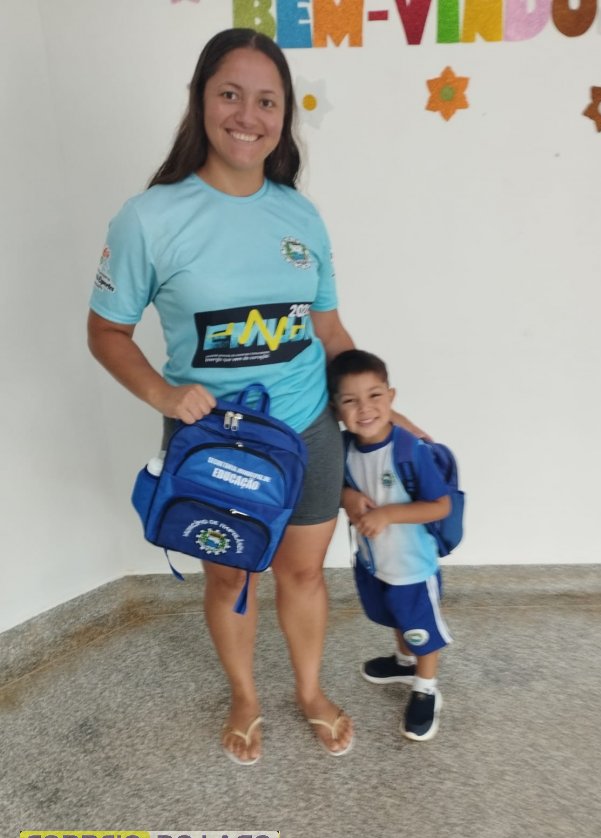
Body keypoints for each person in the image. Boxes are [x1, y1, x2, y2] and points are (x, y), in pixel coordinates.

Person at [88, 28, 420, 765]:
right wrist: (164, 395)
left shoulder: (300, 216)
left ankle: (309, 691)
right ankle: (244, 695)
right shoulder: (149, 218)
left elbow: (327, 328)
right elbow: (106, 331)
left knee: (301, 572)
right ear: (200, 100)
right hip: (211, 441)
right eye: (230, 95)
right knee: (231, 574)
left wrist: (376, 408)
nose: (248, 115)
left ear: (284, 115)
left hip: (307, 432)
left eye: (267, 101)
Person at [328, 349, 453, 741]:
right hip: (374, 561)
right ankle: (403, 663)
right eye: (350, 400)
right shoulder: (344, 448)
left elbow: (441, 505)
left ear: (391, 397)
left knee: (420, 629)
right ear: (336, 409)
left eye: (374, 395)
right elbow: (337, 487)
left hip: (411, 565)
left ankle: (426, 689)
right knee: (395, 616)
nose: (364, 408)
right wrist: (347, 496)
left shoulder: (409, 450)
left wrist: (388, 515)